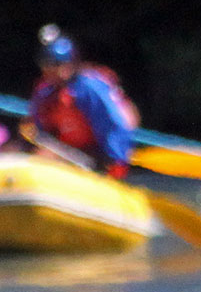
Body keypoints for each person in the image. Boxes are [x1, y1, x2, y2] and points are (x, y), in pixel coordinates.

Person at [25, 24, 141, 177]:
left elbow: (113, 124)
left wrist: (116, 161)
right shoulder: (44, 92)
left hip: (97, 158)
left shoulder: (89, 87)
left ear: (72, 63)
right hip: (66, 156)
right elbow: (39, 130)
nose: (53, 69)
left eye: (59, 64)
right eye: (48, 64)